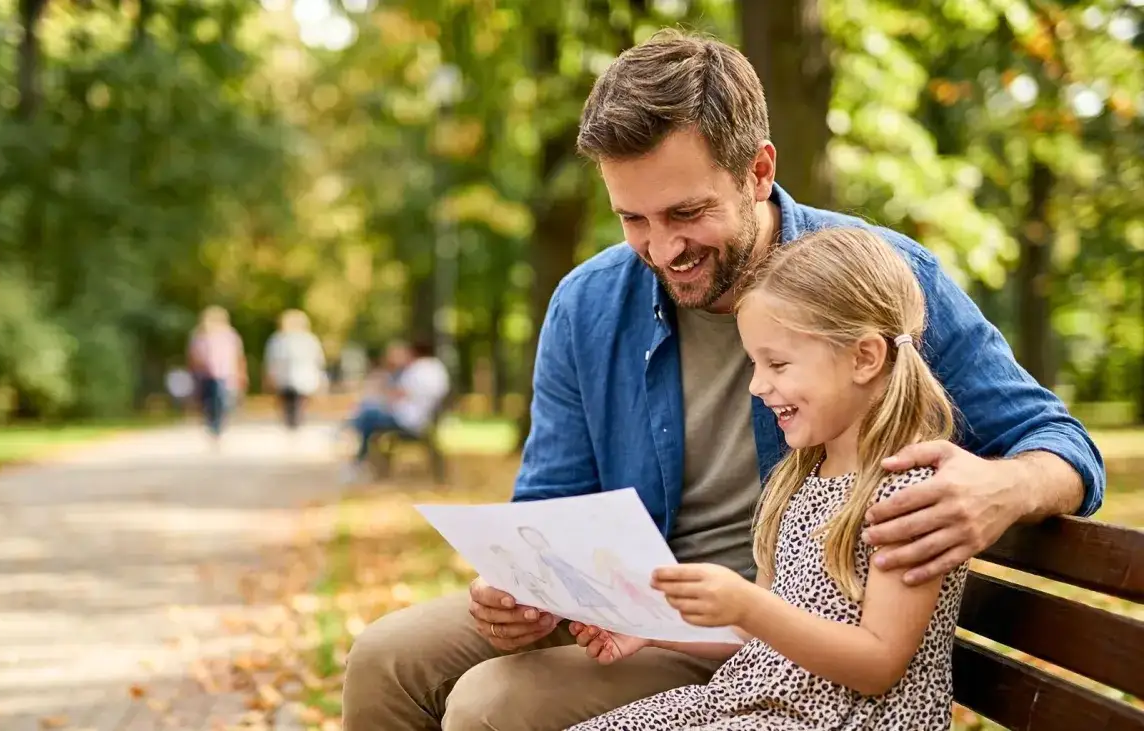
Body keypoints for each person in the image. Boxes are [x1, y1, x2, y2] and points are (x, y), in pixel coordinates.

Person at [340, 30, 1104, 731]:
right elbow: (550, 505)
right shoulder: (587, 303)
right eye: (632, 219)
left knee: (491, 704)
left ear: (758, 170)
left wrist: (1003, 488)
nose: (661, 248)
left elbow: (1062, 443)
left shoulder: (877, 279)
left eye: (685, 211)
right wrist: (527, 593)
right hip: (640, 608)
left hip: (776, 632)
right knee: (384, 656)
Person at [567, 227, 966, 730]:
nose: (758, 385)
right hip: (756, 706)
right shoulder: (802, 476)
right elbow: (762, 637)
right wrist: (651, 631)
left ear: (864, 358)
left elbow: (878, 665)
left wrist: (751, 606)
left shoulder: (910, 491)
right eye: (754, 363)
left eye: (776, 363)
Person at [341, 340, 450, 483]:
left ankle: (357, 457)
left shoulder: (418, 369)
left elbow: (400, 393)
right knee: (368, 411)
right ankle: (353, 444)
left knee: (367, 413)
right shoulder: (437, 368)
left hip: (408, 421)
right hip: (424, 420)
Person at [187, 305, 247, 444]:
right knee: (207, 401)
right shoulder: (199, 335)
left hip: (225, 374)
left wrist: (241, 373)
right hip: (205, 375)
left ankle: (219, 426)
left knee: (222, 400)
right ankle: (211, 425)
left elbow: (238, 356)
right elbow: (193, 355)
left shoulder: (230, 335)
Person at [264, 309, 327, 429]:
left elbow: (271, 361)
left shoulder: (279, 339)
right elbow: (319, 360)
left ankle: (293, 424)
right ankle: (294, 424)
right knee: (296, 403)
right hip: (297, 378)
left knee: (292, 403)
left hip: (291, 378)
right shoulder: (308, 339)